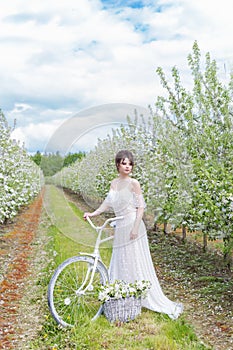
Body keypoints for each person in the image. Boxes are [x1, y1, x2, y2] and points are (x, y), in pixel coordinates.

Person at [83, 150, 183, 319]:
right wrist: (92, 214)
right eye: (124, 163)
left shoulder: (134, 183)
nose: (127, 166)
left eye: (130, 163)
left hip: (132, 225)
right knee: (121, 259)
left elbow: (141, 207)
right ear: (117, 165)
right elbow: (107, 203)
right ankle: (123, 298)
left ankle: (139, 296)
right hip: (120, 226)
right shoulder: (114, 183)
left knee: (134, 260)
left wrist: (135, 228)